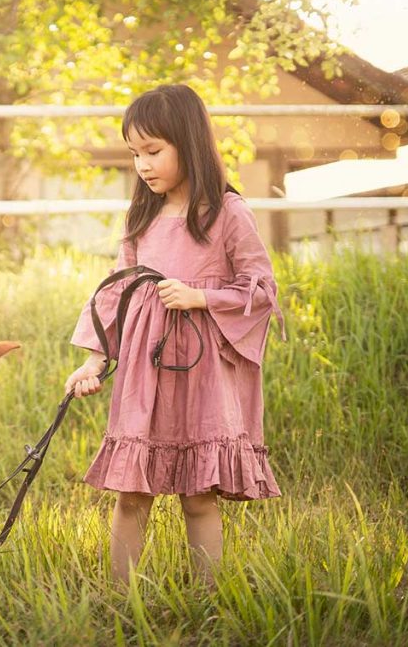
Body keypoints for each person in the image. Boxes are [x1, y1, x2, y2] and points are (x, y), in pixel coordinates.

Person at [64, 84, 286, 586]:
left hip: (203, 374)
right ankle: (122, 598)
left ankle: (207, 597)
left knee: (199, 494)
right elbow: (114, 295)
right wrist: (93, 362)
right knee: (132, 491)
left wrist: (202, 297)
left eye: (153, 150)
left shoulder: (227, 213)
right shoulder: (140, 217)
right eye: (135, 153)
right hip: (146, 374)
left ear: (188, 142)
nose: (142, 164)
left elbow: (261, 289)